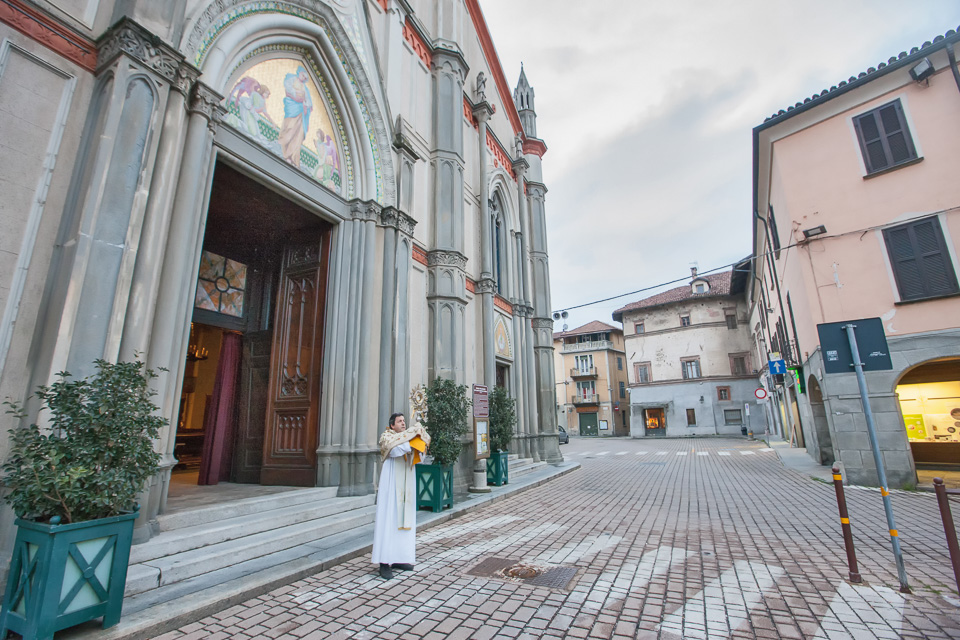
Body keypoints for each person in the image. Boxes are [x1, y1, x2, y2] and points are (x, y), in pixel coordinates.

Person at [371, 412, 430, 579]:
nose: (403, 423)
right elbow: (395, 450)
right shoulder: (387, 437)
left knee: (405, 520)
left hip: (407, 483)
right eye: (399, 421)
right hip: (391, 486)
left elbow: (419, 455)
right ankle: (384, 562)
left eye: (404, 421)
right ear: (392, 425)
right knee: (389, 520)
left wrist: (421, 445)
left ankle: (399, 558)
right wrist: (413, 440)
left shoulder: (407, 437)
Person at [279, 66, 313, 167]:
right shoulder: (291, 79)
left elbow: (308, 102)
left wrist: (305, 103)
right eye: (303, 75)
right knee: (289, 127)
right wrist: (296, 95)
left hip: (301, 112)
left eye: (305, 77)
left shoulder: (305, 88)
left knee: (298, 133)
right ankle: (283, 146)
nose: (304, 78)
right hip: (292, 108)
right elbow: (288, 89)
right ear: (299, 73)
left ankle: (292, 156)